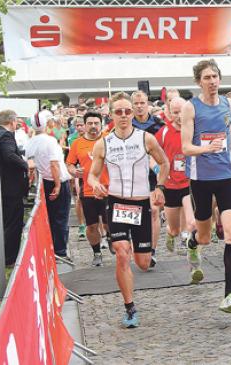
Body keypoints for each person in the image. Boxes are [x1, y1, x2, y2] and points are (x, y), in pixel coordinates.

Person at [88, 92, 170, 328]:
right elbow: (93, 174)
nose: (123, 116)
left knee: (143, 263)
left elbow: (164, 163)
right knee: (122, 253)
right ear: (111, 114)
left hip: (141, 203)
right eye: (118, 112)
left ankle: (144, 249)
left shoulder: (146, 139)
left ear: (133, 113)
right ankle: (130, 307)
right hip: (117, 203)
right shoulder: (103, 143)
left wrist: (161, 187)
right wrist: (96, 185)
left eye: (127, 111)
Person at [181, 59, 231, 313]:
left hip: (225, 175)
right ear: (199, 81)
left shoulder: (227, 104)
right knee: (206, 236)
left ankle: (229, 294)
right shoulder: (191, 108)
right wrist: (205, 148)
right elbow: (186, 147)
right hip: (200, 178)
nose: (212, 81)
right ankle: (193, 243)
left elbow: (227, 129)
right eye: (207, 78)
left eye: (215, 76)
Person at [0, 110, 29, 266]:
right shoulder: (6, 136)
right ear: (12, 121)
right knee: (12, 224)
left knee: (3, 224)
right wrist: (26, 165)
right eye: (17, 122)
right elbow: (9, 155)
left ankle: (2, 257)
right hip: (10, 189)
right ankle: (10, 259)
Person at [25, 110, 72, 258]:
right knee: (61, 218)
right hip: (55, 182)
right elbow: (54, 165)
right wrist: (58, 186)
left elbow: (30, 166)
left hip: (43, 182)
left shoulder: (30, 142)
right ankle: (60, 251)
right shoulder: (50, 140)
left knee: (50, 218)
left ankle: (52, 249)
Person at [66, 111, 109, 266]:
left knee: (108, 222)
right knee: (91, 226)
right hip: (88, 190)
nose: (93, 126)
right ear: (84, 125)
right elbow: (70, 163)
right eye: (90, 123)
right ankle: (97, 253)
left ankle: (110, 237)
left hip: (108, 189)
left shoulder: (109, 139)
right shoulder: (77, 143)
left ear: (101, 124)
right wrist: (73, 170)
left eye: (96, 123)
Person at [154, 97, 195, 255]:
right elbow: (152, 154)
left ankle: (187, 240)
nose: (179, 115)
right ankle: (172, 234)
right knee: (174, 227)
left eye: (181, 111)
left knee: (189, 215)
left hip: (189, 182)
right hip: (170, 184)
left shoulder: (193, 129)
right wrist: (158, 169)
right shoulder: (163, 132)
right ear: (169, 113)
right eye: (175, 112)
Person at [131, 90, 166, 268]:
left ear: (147, 104)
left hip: (153, 175)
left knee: (153, 211)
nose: (139, 106)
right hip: (132, 176)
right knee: (136, 214)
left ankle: (151, 251)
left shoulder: (159, 125)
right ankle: (139, 247)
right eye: (136, 104)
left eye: (142, 103)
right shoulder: (126, 125)